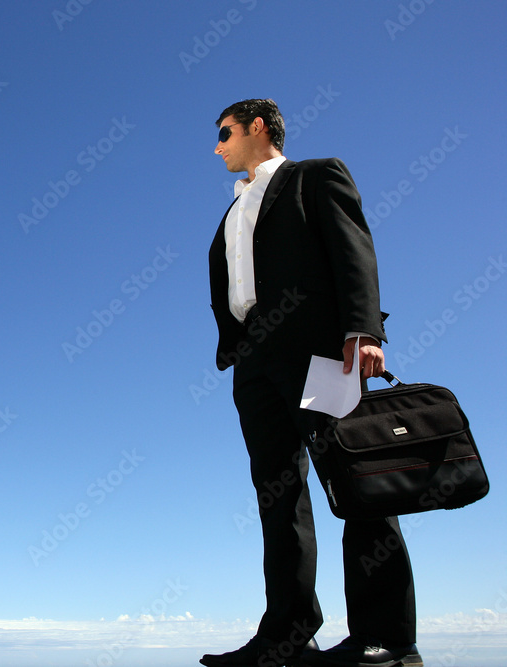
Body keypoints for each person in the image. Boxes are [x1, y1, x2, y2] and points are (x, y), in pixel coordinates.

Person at [200, 99, 423, 667]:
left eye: (224, 132)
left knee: (358, 481)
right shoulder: (231, 212)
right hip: (254, 366)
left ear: (257, 128)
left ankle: (387, 638)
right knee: (278, 498)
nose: (218, 145)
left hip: (320, 354)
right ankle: (288, 634)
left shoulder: (314, 176)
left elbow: (354, 249)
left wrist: (362, 328)